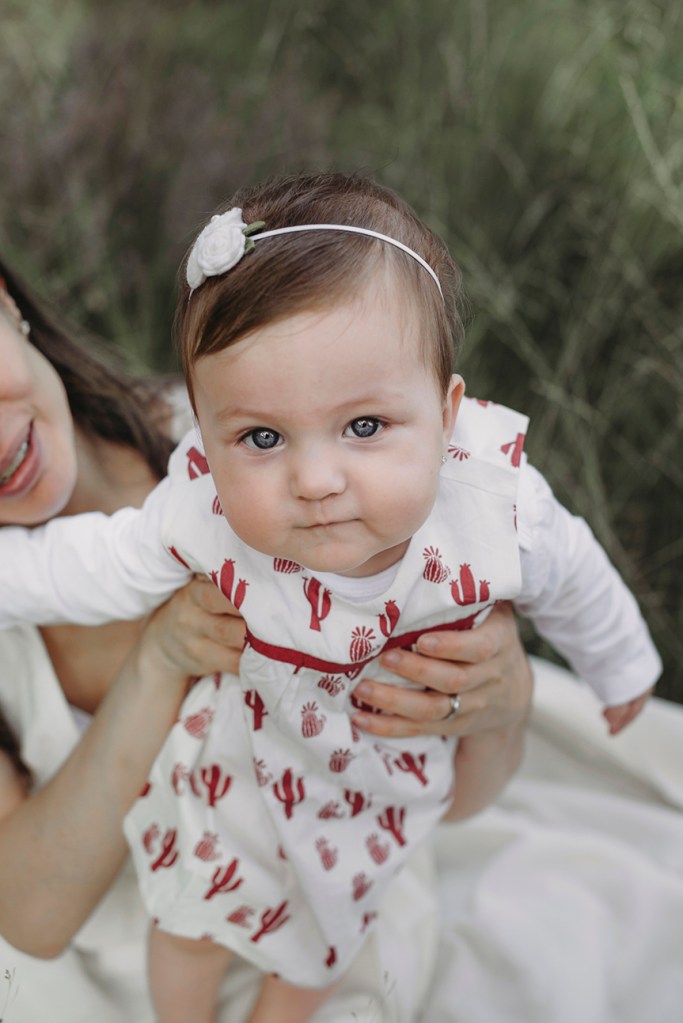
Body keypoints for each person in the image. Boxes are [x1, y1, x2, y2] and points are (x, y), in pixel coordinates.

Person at [0, 174, 661, 1023]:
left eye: (362, 427)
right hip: (226, 804)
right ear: (213, 436)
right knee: (190, 930)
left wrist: (613, 664)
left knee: (322, 947)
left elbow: (573, 575)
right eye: (265, 439)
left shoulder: (488, 505)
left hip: (361, 822)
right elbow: (81, 565)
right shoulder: (207, 498)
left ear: (449, 415)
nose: (314, 481)